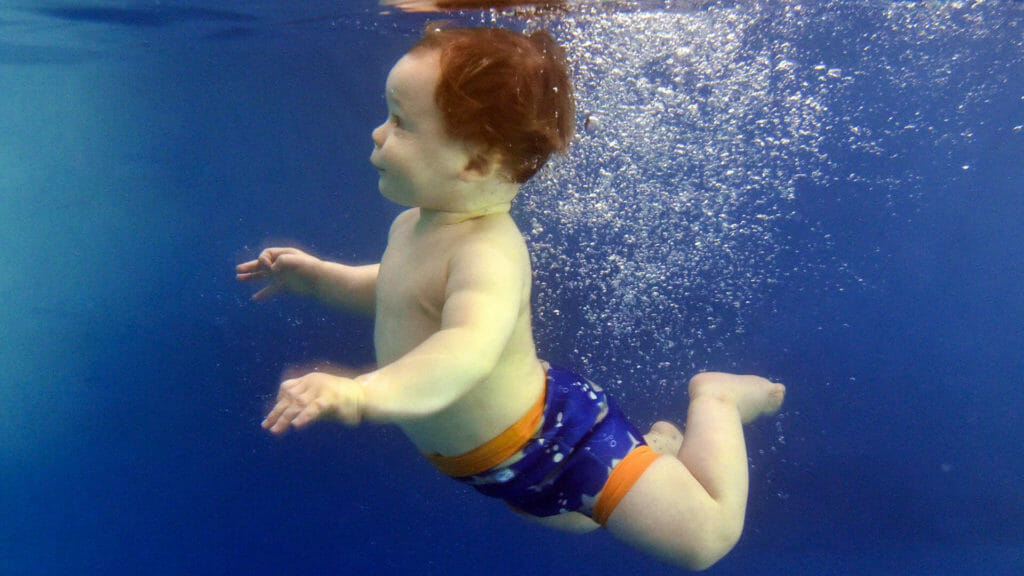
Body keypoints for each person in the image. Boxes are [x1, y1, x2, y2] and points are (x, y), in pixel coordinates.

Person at [236, 25, 784, 571]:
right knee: (575, 519)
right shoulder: (413, 227)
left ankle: (717, 400)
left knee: (701, 540)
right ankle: (658, 450)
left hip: (560, 444)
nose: (378, 134)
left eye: (400, 122)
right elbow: (396, 293)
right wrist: (319, 279)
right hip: (499, 467)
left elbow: (463, 354)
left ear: (475, 162)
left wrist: (360, 395)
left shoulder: (489, 254)